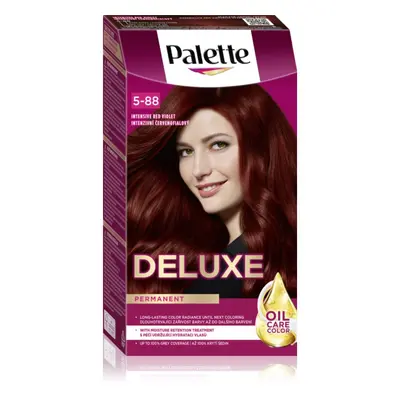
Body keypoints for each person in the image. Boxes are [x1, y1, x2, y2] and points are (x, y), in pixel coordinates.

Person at [127, 84, 297, 298]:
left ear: (262, 150)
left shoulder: (236, 273)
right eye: (186, 151)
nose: (198, 170)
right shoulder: (196, 252)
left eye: (218, 145)